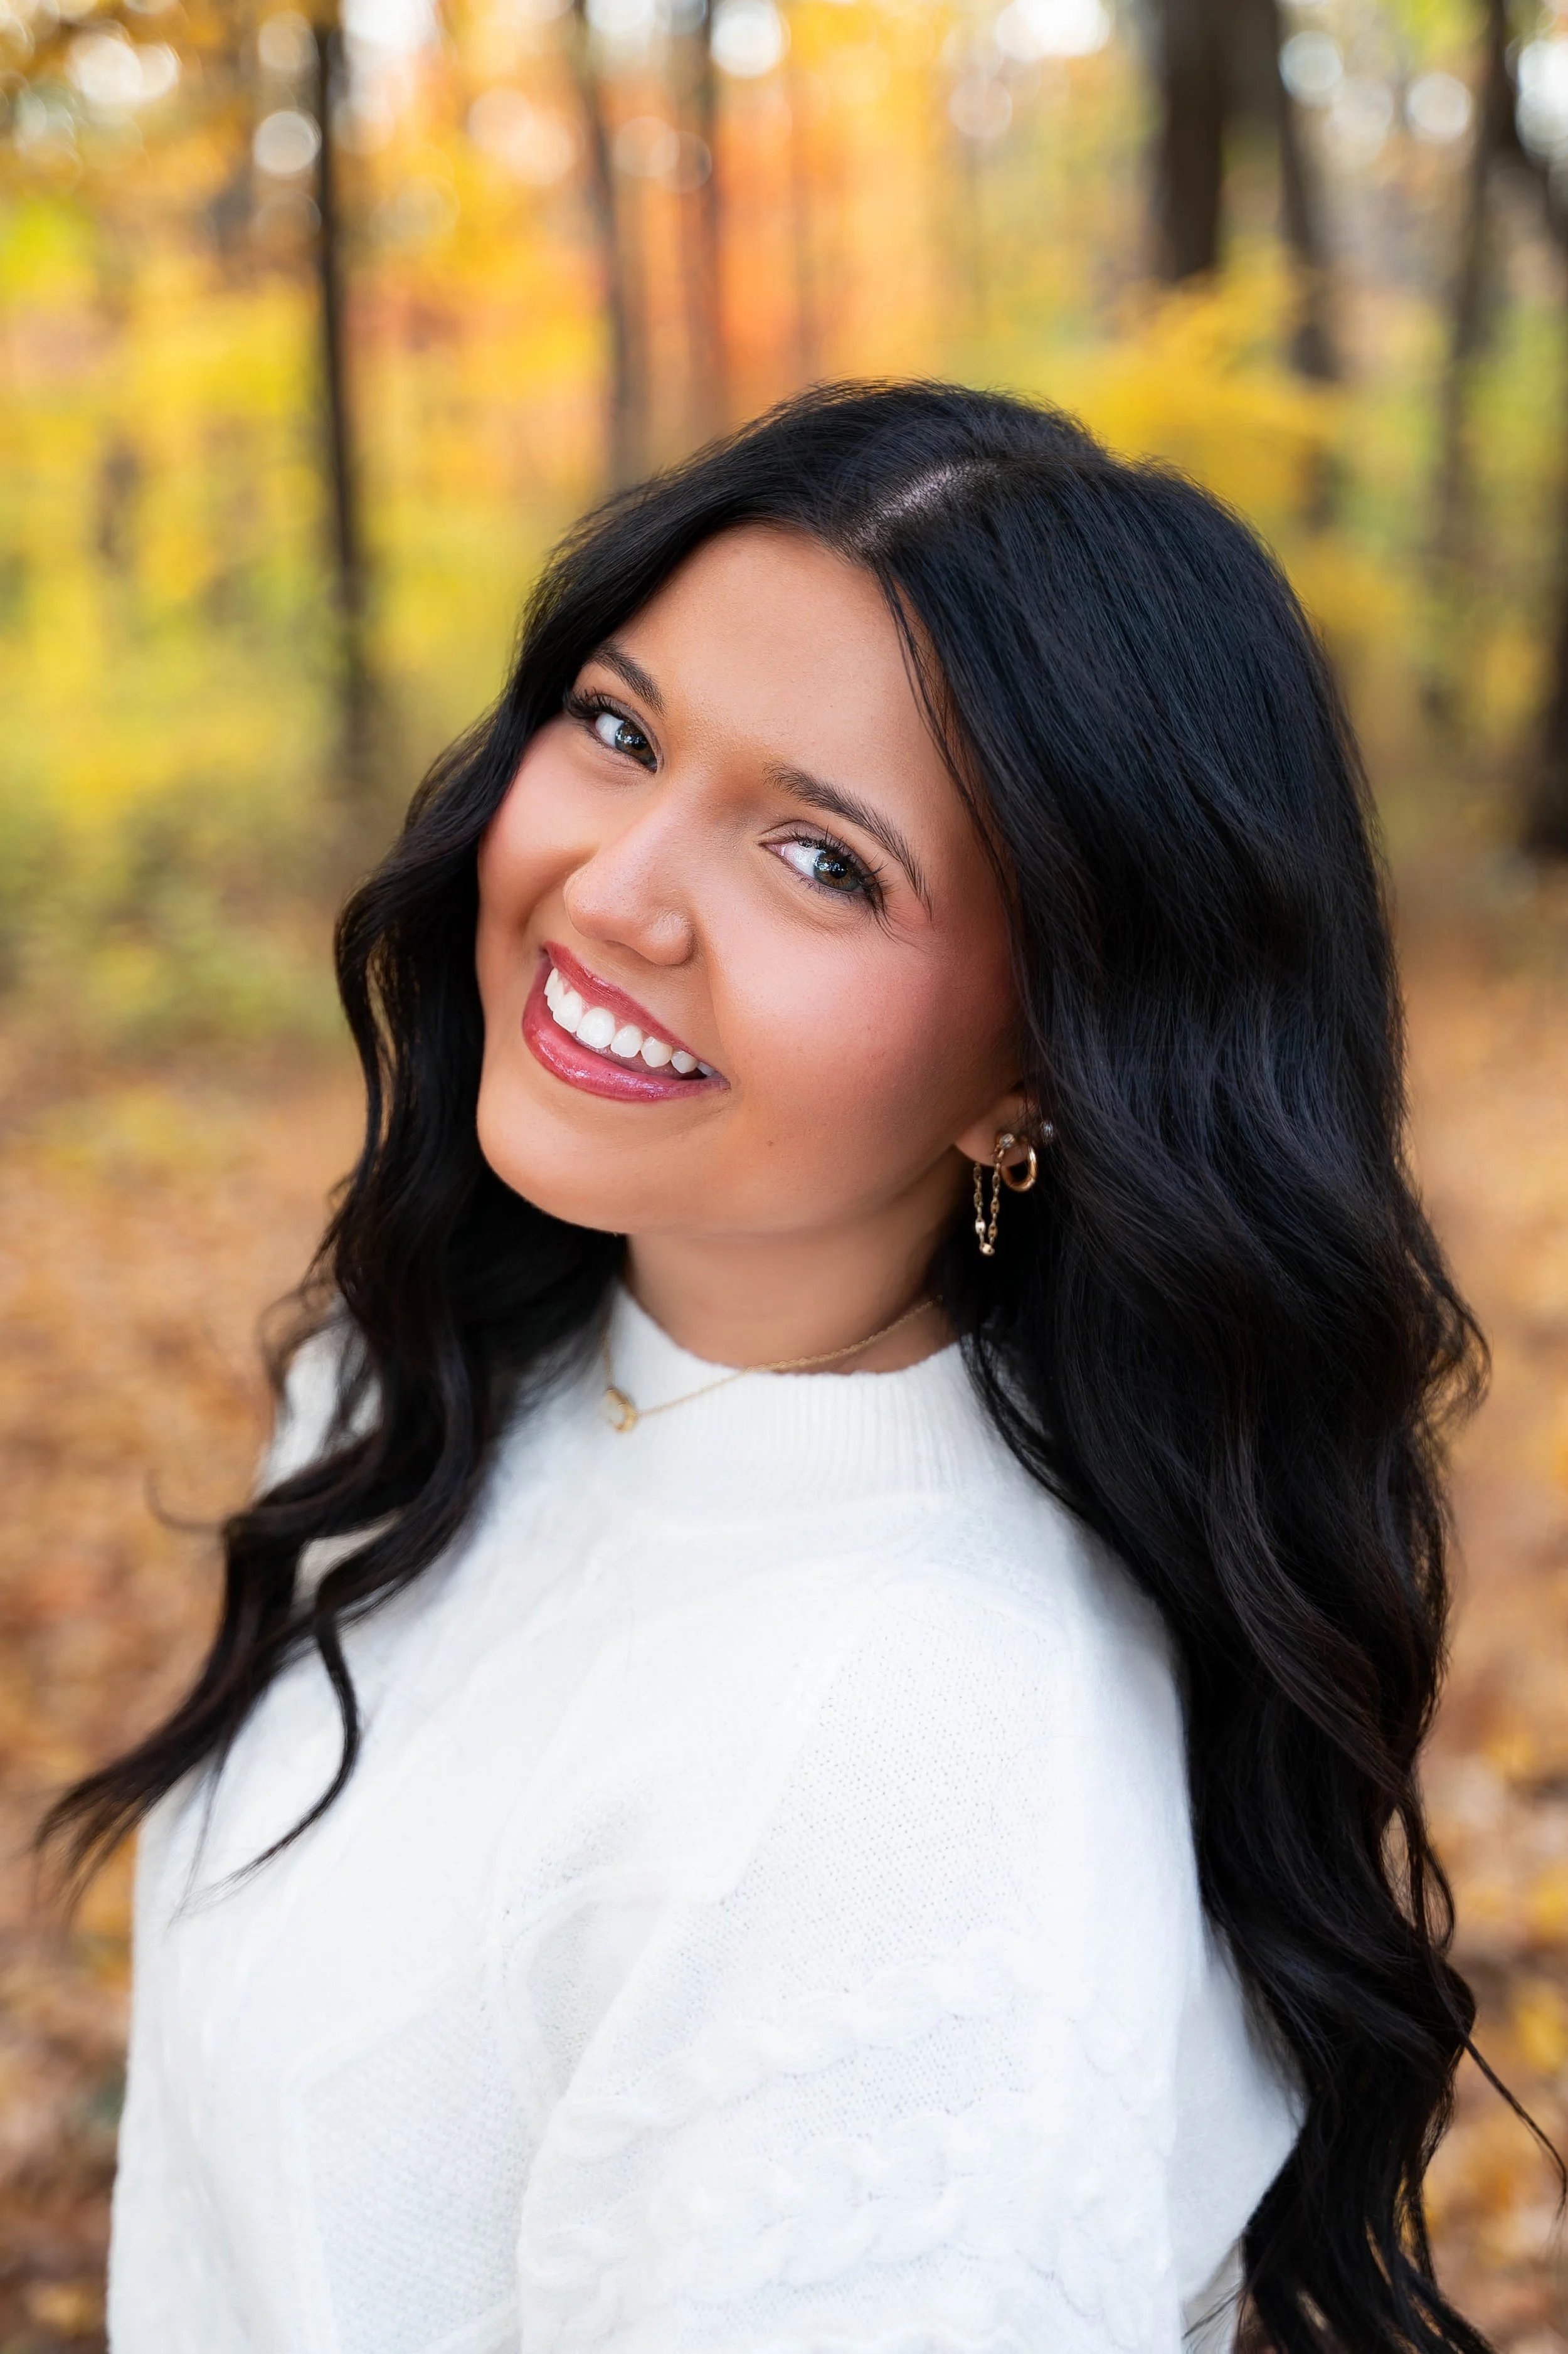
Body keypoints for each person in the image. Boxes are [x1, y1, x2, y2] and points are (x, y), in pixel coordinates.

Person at [50, 381, 1493, 2354]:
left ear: (1045, 1066)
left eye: (822, 862)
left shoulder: (906, 1783)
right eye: (620, 731)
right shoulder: (460, 1360)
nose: (616, 891)